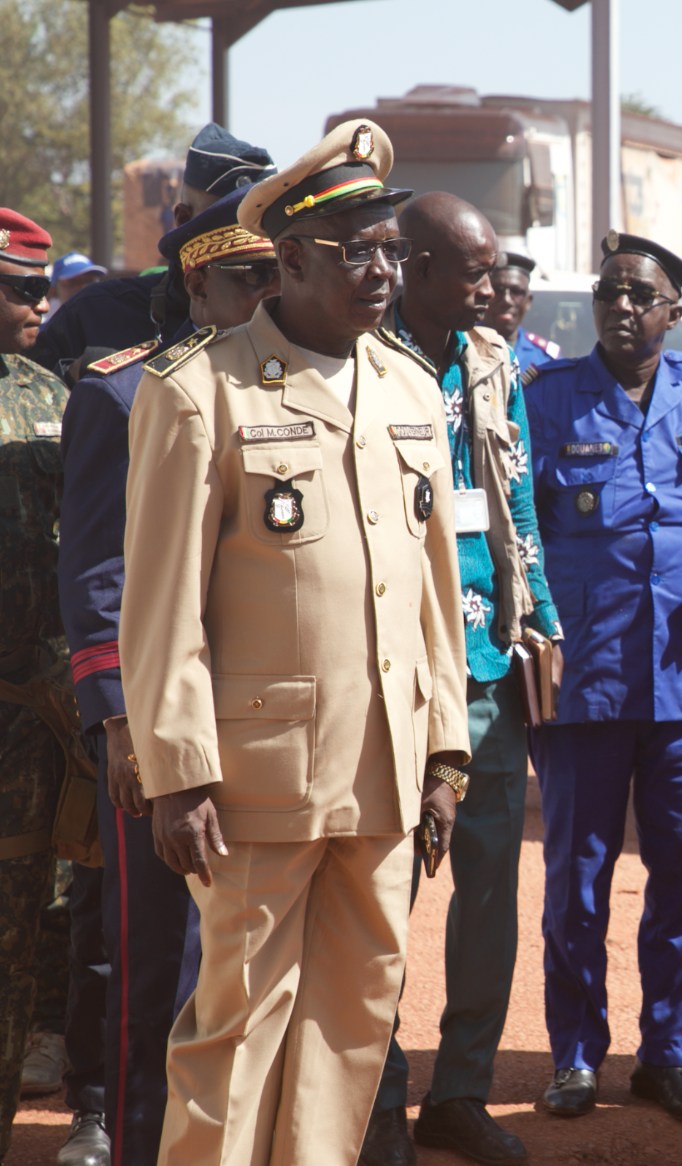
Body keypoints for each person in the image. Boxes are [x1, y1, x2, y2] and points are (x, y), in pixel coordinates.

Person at [119, 118, 470, 1165]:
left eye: (392, 250)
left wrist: (446, 751)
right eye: (357, 251)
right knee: (236, 1029)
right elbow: (161, 604)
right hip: (253, 779)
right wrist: (177, 774)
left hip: (387, 766)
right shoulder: (200, 392)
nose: (382, 272)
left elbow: (435, 592)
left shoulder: (411, 388)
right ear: (292, 258)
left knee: (353, 1021)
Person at [57, 184, 281, 1166]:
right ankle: (139, 1141)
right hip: (159, 727)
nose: (267, 295)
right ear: (197, 284)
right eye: (247, 277)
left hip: (271, 719)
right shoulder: (123, 393)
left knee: (262, 964)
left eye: (277, 275)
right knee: (160, 964)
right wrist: (119, 724)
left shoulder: (288, 391)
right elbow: (96, 577)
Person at [360, 192, 560, 1166]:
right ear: (420, 266)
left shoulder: (490, 361)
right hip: (391, 670)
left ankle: (460, 1093)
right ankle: (377, 1101)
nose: (493, 288)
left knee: (487, 895)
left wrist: (543, 620)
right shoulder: (360, 353)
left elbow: (516, 497)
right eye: (476, 272)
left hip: (485, 664)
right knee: (382, 895)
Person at [523, 231, 682, 1125]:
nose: (620, 307)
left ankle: (669, 1056)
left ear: (673, 312)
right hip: (587, 674)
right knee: (578, 876)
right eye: (608, 292)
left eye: (639, 295)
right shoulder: (547, 396)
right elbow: (522, 530)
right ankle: (575, 1055)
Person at [0, 209, 74, 1166]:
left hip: (32, 722)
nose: (41, 304)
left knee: (23, 931)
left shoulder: (51, 397)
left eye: (44, 288)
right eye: (22, 288)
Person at [28, 123, 274, 379]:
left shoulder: (290, 317)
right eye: (252, 273)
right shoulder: (97, 312)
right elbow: (25, 386)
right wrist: (77, 376)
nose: (273, 290)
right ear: (183, 219)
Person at [482, 250, 559, 382]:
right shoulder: (463, 347)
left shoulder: (545, 358)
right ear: (485, 295)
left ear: (528, 301)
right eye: (498, 290)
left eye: (516, 292)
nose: (506, 300)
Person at [45, 253, 107, 320]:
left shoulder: (108, 319)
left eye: (89, 281)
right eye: (74, 282)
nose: (83, 288)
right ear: (54, 290)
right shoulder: (42, 323)